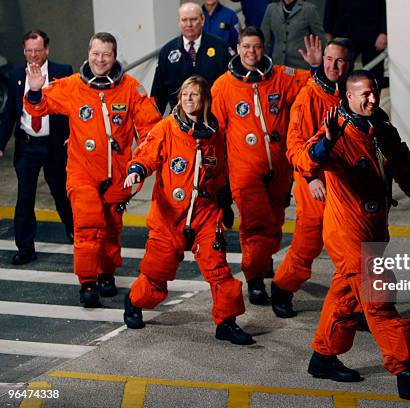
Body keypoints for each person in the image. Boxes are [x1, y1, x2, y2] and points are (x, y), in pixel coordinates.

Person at [296, 70, 410, 398]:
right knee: (378, 295)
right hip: (347, 231)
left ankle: (323, 356)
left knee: (347, 294)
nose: (372, 99)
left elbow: (405, 166)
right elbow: (307, 161)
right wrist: (327, 141)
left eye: (374, 93)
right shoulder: (336, 131)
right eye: (364, 95)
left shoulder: (381, 129)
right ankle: (405, 370)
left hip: (372, 230)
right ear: (347, 97)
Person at [24, 32, 161, 307]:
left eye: (106, 55)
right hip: (82, 172)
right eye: (95, 54)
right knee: (87, 227)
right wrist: (37, 89)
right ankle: (88, 282)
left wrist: (141, 162)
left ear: (114, 56)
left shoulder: (131, 89)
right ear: (89, 53)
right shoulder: (73, 86)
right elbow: (39, 109)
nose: (100, 60)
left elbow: (151, 129)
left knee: (111, 228)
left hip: (117, 175)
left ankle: (106, 273)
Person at [122, 75, 253, 345]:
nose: (189, 100)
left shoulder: (215, 134)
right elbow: (146, 154)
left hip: (205, 214)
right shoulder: (166, 128)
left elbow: (220, 173)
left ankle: (227, 322)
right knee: (156, 275)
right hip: (170, 216)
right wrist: (136, 171)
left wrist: (225, 203)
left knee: (219, 271)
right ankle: (134, 301)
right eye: (185, 94)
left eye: (194, 95)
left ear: (205, 99)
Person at [211, 27, 320, 306]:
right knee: (256, 225)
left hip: (280, 167)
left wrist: (317, 66)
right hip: (245, 168)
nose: (251, 52)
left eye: (257, 47)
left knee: (274, 221)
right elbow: (215, 135)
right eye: (246, 47)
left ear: (264, 48)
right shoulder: (223, 86)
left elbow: (313, 86)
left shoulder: (281, 77)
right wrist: (218, 178)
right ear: (237, 48)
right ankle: (255, 278)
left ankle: (264, 259)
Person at [270, 37, 353, 318]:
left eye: (339, 60)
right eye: (329, 60)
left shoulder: (354, 93)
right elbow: (294, 146)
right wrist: (310, 178)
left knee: (352, 246)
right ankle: (282, 287)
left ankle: (359, 305)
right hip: (314, 181)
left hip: (344, 180)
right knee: (308, 244)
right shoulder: (309, 97)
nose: (333, 66)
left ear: (349, 63)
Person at [0, 29, 73, 265]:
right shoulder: (14, 76)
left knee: (62, 192)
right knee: (24, 197)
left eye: (37, 51)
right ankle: (25, 248)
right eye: (29, 51)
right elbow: (9, 114)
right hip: (27, 145)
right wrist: (0, 144)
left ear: (46, 50)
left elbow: (71, 108)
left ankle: (75, 232)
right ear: (24, 51)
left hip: (54, 144)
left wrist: (73, 136)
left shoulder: (62, 73)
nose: (33, 56)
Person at [152, 2, 230, 115]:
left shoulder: (220, 47)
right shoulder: (167, 51)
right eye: (184, 20)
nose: (189, 24)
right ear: (178, 22)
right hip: (178, 121)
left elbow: (229, 88)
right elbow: (158, 95)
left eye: (194, 19)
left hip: (213, 117)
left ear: (202, 20)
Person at [324, 0, 387, 87]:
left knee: (374, 74)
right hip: (344, 31)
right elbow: (331, 5)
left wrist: (384, 32)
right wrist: (327, 31)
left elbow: (384, 6)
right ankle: (339, 98)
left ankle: (371, 99)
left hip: (373, 34)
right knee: (339, 70)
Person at [260, 0, 326, 69]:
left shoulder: (309, 9)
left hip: (301, 66)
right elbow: (264, 40)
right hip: (277, 65)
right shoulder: (271, 9)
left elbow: (321, 39)